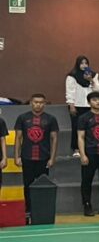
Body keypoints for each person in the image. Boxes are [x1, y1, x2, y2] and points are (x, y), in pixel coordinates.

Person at [14, 94, 60, 223]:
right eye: (35, 102)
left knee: (42, 186)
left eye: (41, 102)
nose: (38, 104)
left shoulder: (51, 119)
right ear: (31, 103)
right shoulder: (22, 118)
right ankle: (28, 211)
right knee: (27, 186)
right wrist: (17, 156)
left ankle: (42, 212)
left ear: (44, 104)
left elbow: (54, 139)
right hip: (27, 157)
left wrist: (52, 158)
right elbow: (18, 138)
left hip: (43, 158)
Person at [64, 56, 99, 157]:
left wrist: (91, 80)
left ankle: (88, 147)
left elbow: (98, 89)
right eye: (82, 63)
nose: (84, 65)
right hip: (77, 105)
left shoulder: (93, 75)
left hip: (90, 106)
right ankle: (76, 149)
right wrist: (71, 105)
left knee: (91, 127)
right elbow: (70, 92)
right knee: (76, 127)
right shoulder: (72, 76)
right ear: (78, 64)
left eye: (86, 63)